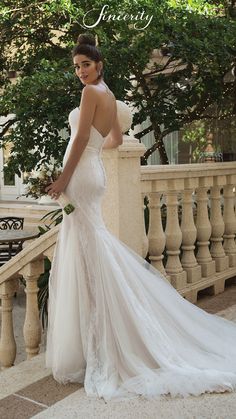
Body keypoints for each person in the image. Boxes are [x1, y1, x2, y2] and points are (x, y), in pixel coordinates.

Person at [45, 33, 236, 402]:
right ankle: (104, 336)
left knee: (87, 255)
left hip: (80, 177)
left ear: (98, 65)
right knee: (93, 250)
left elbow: (82, 136)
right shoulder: (111, 96)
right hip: (93, 175)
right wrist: (91, 162)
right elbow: (114, 138)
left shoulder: (90, 94)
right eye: (76, 67)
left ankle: (103, 342)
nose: (80, 72)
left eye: (85, 64)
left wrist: (63, 179)